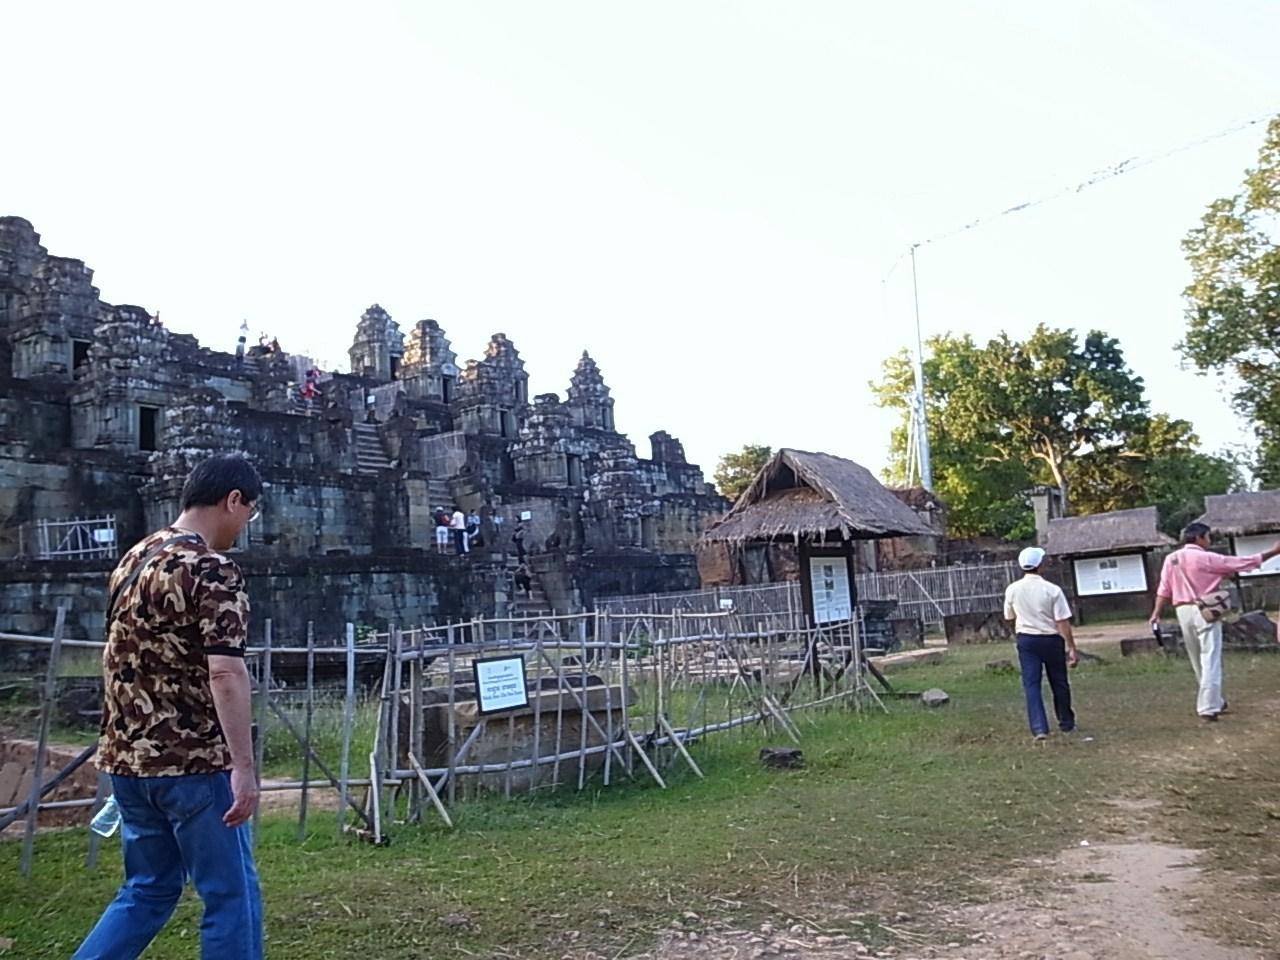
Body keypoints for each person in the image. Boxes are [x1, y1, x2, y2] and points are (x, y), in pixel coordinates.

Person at [74, 455, 264, 960]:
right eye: (250, 511)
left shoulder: (134, 559)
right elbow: (225, 672)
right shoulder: (211, 569)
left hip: (128, 761)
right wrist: (243, 768)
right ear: (233, 500)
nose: (247, 523)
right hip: (193, 761)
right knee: (231, 896)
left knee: (148, 888)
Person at [1150, 523, 1280, 722]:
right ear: (1200, 538)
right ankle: (1208, 707)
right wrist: (1272, 552)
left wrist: (1156, 613)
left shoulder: (1171, 559)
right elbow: (1241, 563)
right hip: (1206, 609)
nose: (1209, 541)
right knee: (1210, 657)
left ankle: (1215, 700)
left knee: (1196, 658)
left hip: (1182, 610)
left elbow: (1164, 589)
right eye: (1208, 537)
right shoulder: (1206, 557)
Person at [1003, 546, 1079, 742]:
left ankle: (1039, 727)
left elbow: (1009, 616)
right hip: (1051, 639)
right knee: (1059, 681)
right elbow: (1062, 621)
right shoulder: (1052, 590)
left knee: (1031, 683)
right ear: (1040, 565)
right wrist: (1071, 647)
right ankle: (1066, 722)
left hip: (1027, 639)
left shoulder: (1012, 589)